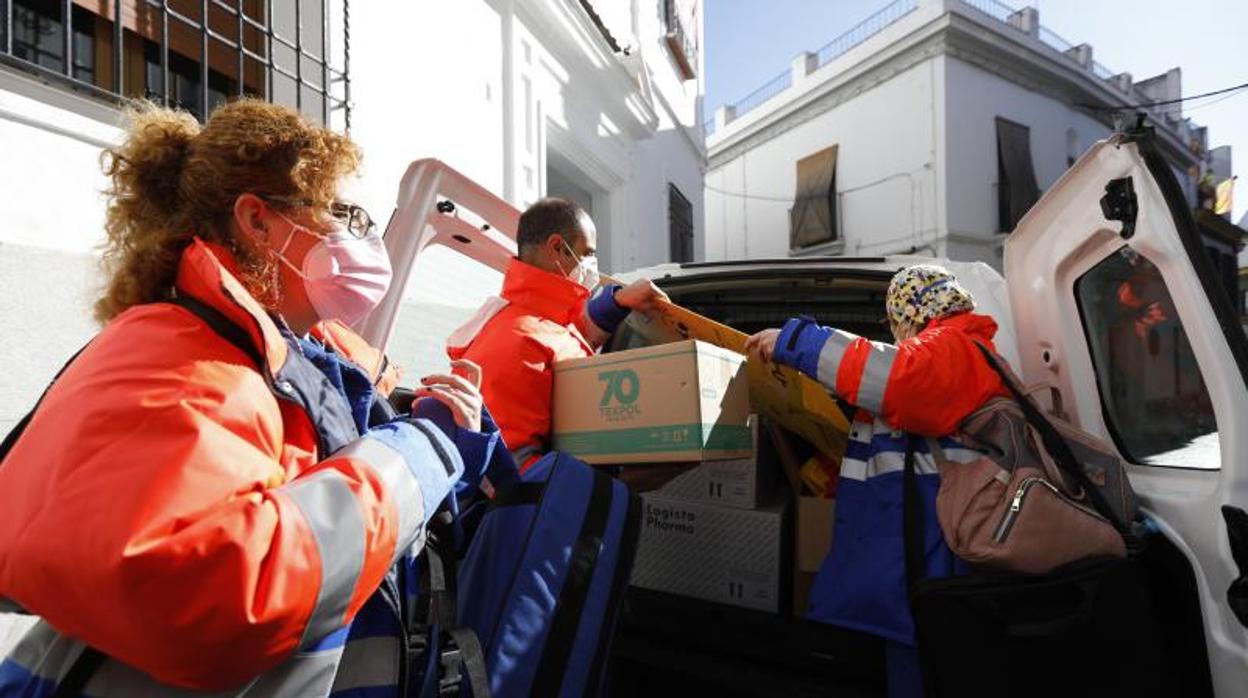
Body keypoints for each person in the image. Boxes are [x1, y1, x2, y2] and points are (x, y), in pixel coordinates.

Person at [0, 100, 500, 697]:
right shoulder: (186, 359)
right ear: (258, 223)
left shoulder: (275, 346)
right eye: (336, 211)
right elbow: (202, 594)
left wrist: (434, 430)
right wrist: (422, 450)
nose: (354, 234)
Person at [746, 264, 1011, 698]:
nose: (894, 333)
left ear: (912, 309)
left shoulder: (956, 346)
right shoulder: (956, 353)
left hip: (932, 573)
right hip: (917, 569)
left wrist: (795, 342)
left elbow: (895, 378)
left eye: (894, 322)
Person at [447, 197, 668, 468]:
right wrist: (621, 485)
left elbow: (571, 336)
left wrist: (618, 301)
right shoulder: (523, 339)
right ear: (557, 247)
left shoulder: (527, 320)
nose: (592, 264)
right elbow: (510, 470)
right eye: (587, 253)